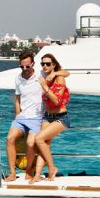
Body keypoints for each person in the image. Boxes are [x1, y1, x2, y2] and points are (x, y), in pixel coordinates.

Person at [5, 50, 43, 182]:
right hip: (22, 117)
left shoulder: (40, 75)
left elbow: (62, 73)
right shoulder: (18, 78)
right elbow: (17, 99)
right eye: (22, 66)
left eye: (27, 66)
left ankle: (29, 172)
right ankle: (11, 173)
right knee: (10, 139)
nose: (24, 69)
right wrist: (17, 115)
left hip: (37, 117)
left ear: (33, 64)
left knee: (30, 143)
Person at [33, 53, 70, 181]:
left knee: (39, 139)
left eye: (48, 64)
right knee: (44, 144)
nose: (44, 66)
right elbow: (67, 72)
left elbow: (57, 102)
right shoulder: (46, 77)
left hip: (60, 117)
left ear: (53, 65)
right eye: (42, 63)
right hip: (47, 116)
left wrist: (44, 85)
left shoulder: (59, 79)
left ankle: (52, 168)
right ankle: (37, 175)